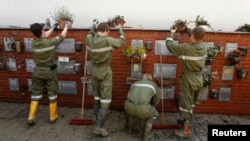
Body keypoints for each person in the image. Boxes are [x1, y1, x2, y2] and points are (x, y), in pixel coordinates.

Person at [165, 26, 207, 139]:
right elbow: (195, 37)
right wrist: (187, 29)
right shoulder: (204, 47)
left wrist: (172, 33)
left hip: (188, 79)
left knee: (185, 105)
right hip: (198, 79)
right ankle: (185, 120)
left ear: (192, 36)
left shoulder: (186, 49)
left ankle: (186, 131)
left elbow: (169, 44)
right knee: (191, 103)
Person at [85, 20, 125, 137]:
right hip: (105, 71)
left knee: (97, 98)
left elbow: (89, 33)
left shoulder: (89, 40)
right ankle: (99, 127)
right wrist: (120, 29)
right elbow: (121, 41)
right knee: (105, 101)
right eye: (108, 32)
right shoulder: (107, 40)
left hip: (94, 70)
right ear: (106, 31)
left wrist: (92, 27)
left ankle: (98, 123)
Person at [27, 21, 70, 125]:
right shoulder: (50, 43)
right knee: (52, 94)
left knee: (36, 94)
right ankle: (53, 116)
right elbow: (63, 35)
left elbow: (43, 36)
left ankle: (31, 117)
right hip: (49, 72)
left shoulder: (33, 43)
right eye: (43, 29)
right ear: (42, 30)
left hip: (37, 72)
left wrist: (53, 28)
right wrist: (67, 26)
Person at [124, 74, 160, 141]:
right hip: (143, 109)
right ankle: (146, 137)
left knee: (129, 108)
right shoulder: (153, 85)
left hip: (128, 107)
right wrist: (151, 106)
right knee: (154, 115)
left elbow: (130, 95)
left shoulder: (134, 84)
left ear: (142, 78)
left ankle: (128, 129)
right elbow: (156, 100)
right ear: (150, 79)